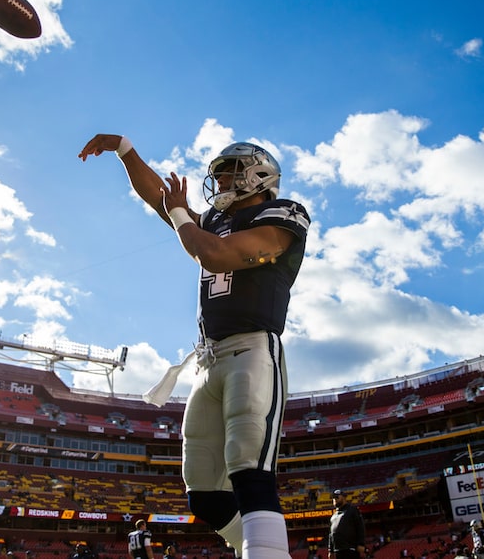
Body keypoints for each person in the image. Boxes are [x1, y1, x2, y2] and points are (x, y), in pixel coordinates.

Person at [79, 135, 310, 559]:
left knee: (249, 468)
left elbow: (216, 256)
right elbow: (158, 198)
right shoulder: (210, 223)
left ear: (259, 176)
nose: (220, 180)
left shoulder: (283, 214)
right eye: (219, 172)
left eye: (230, 172)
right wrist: (125, 149)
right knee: (203, 494)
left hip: (252, 350)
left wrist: (183, 215)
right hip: (208, 360)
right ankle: (264, 551)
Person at [328, 489, 365, 559]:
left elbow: (360, 527)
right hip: (338, 551)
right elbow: (331, 534)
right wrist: (330, 550)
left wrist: (361, 543)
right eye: (333, 498)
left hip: (350, 549)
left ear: (344, 497)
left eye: (337, 497)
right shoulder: (333, 516)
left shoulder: (352, 510)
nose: (334, 499)